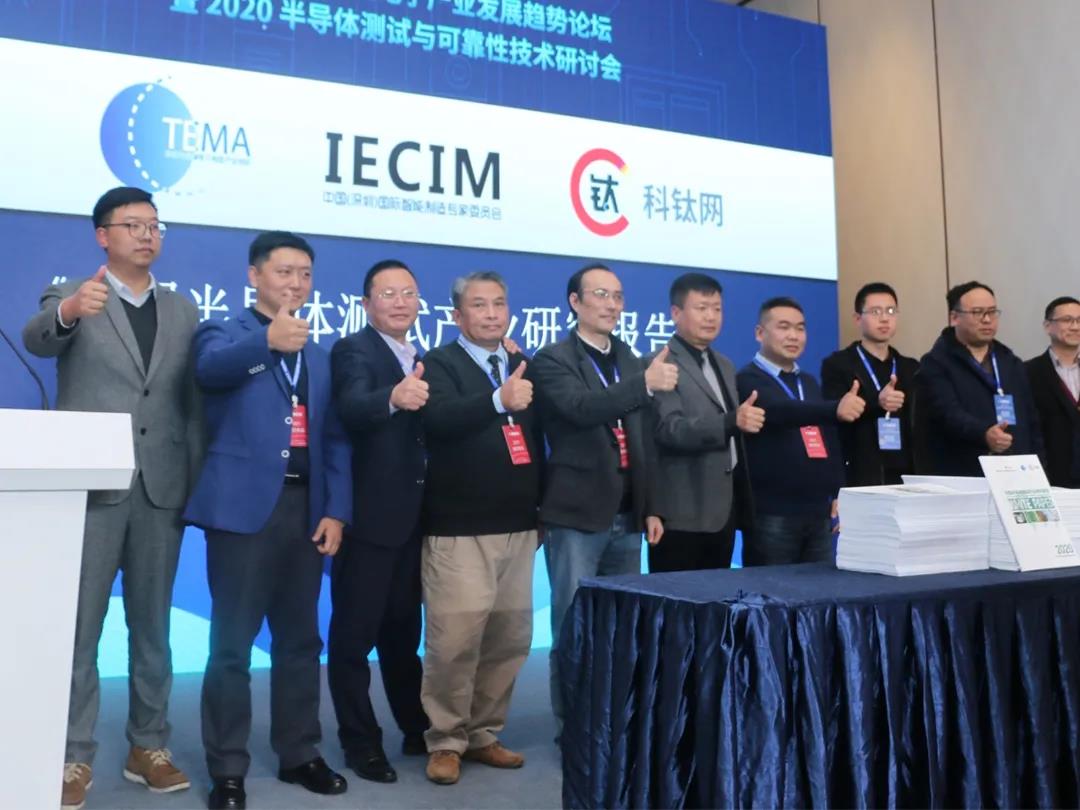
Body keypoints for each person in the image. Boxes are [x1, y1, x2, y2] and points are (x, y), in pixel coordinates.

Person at [22, 187, 200, 810]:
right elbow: (39, 338)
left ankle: (148, 746)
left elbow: (189, 405)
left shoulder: (183, 309)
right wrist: (72, 311)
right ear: (103, 236)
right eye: (133, 225)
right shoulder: (72, 293)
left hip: (160, 489)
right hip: (94, 490)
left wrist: (193, 481)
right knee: (81, 630)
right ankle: (73, 754)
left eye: (155, 225)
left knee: (153, 629)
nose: (147, 235)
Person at [184, 232, 351, 809]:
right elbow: (209, 372)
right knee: (231, 646)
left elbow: (335, 439)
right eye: (284, 272)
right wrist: (267, 343)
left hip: (306, 512)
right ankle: (228, 768)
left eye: (305, 274)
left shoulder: (319, 356)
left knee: (301, 640)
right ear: (254, 275)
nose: (296, 283)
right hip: (242, 513)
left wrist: (336, 509)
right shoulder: (225, 332)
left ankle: (300, 753)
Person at [532, 262, 674, 735]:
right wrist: (643, 384)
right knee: (573, 626)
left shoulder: (630, 358)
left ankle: (615, 723)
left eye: (617, 296)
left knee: (621, 626)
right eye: (600, 295)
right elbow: (580, 408)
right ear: (575, 302)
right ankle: (573, 727)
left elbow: (643, 438)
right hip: (577, 513)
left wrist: (651, 505)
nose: (612, 305)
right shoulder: (553, 359)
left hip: (627, 513)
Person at [417, 271, 542, 785]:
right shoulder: (438, 363)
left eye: (499, 303)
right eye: (479, 305)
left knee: (508, 638)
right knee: (454, 641)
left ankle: (484, 733)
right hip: (459, 529)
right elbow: (437, 420)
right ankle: (446, 740)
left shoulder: (520, 363)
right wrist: (497, 400)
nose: (492, 313)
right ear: (457, 315)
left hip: (519, 527)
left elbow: (536, 440)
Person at [327, 259, 430, 784]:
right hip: (367, 520)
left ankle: (415, 727)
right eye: (387, 293)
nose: (399, 302)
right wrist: (391, 397)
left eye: (408, 293)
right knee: (353, 640)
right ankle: (360, 742)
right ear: (366, 304)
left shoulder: (421, 357)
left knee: (403, 636)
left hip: (414, 522)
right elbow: (349, 406)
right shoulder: (354, 350)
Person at [736, 296, 863, 565]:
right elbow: (781, 411)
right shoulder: (747, 379)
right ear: (760, 333)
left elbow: (828, 437)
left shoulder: (807, 381)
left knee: (818, 588)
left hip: (818, 513)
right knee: (772, 589)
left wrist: (838, 490)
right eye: (784, 327)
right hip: (773, 515)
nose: (794, 336)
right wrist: (834, 409)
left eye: (800, 328)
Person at [650, 272, 763, 572]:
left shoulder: (724, 364)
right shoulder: (659, 363)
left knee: (717, 596)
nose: (711, 317)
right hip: (682, 511)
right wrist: (731, 421)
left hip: (724, 510)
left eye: (717, 309)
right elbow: (670, 429)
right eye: (701, 308)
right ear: (676, 313)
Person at [916, 281, 1041, 476]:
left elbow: (1031, 422)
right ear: (954, 318)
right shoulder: (935, 363)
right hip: (963, 473)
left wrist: (1040, 473)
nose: (987, 319)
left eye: (992, 312)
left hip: (1015, 472)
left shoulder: (1011, 362)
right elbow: (948, 414)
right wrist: (984, 433)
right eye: (977, 312)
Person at [820, 282, 919, 486]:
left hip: (905, 473)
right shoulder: (838, 364)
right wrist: (876, 402)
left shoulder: (910, 367)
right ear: (858, 319)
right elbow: (833, 417)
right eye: (875, 312)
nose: (884, 318)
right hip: (860, 471)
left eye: (890, 311)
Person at [1026, 296, 1080, 487]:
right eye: (1067, 320)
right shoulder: (1028, 372)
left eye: (1079, 320)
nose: (1075, 327)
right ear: (1048, 326)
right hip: (1051, 475)